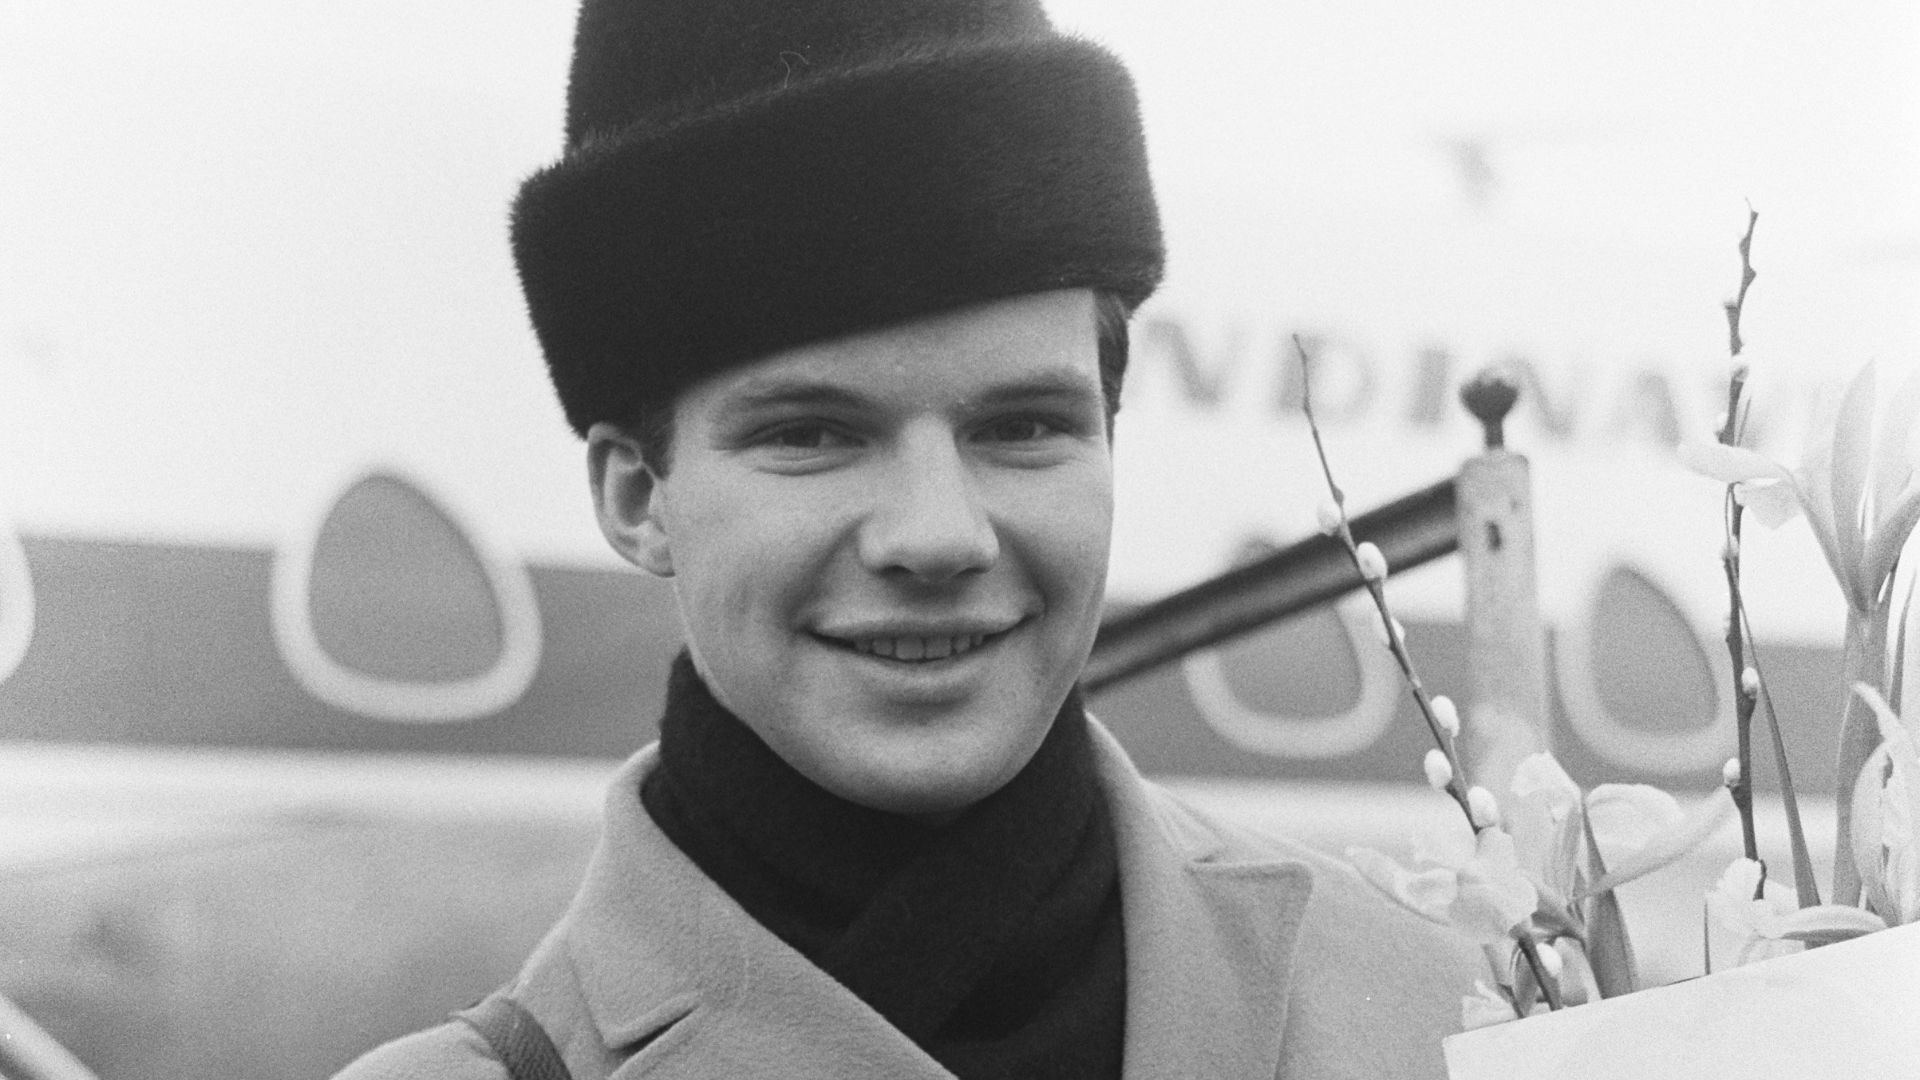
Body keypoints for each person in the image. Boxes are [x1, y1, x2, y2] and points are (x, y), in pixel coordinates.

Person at [335, 0, 1482, 1076]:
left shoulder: (1448, 1012)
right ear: (639, 498)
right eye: (811, 434)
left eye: (1023, 426)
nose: (939, 536)